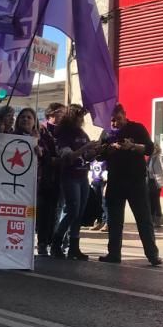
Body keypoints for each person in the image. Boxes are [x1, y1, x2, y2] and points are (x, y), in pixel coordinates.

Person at [97, 104, 161, 266]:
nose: (115, 123)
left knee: (143, 219)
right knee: (114, 220)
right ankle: (113, 253)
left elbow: (149, 149)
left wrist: (132, 146)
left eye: (118, 119)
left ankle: (152, 255)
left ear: (125, 116)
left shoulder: (137, 128)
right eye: (112, 121)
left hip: (136, 181)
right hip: (115, 180)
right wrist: (110, 149)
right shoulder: (106, 132)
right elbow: (99, 155)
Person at [51, 104, 98, 260]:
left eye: (82, 117)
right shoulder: (65, 134)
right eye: (78, 116)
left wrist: (95, 151)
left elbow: (87, 157)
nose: (81, 120)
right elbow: (68, 157)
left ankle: (74, 247)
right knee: (73, 211)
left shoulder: (82, 133)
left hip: (83, 176)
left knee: (79, 213)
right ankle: (56, 242)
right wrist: (86, 147)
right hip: (70, 176)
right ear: (72, 117)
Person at [35, 103, 65, 256]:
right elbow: (43, 154)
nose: (64, 115)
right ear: (51, 114)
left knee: (55, 211)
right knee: (43, 212)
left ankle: (54, 242)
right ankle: (42, 243)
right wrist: (53, 159)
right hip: (44, 177)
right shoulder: (41, 129)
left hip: (60, 177)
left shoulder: (64, 131)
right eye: (61, 113)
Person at [147, 143, 163, 228]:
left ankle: (158, 220)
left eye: (154, 148)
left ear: (157, 149)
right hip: (149, 181)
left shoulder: (160, 157)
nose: (153, 150)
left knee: (156, 201)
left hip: (157, 182)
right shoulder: (149, 158)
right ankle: (151, 219)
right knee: (149, 201)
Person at [87, 159, 108, 232]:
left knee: (104, 203)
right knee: (97, 203)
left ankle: (107, 223)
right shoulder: (93, 157)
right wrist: (90, 179)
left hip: (104, 182)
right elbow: (90, 168)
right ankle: (99, 221)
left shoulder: (106, 157)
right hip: (95, 181)